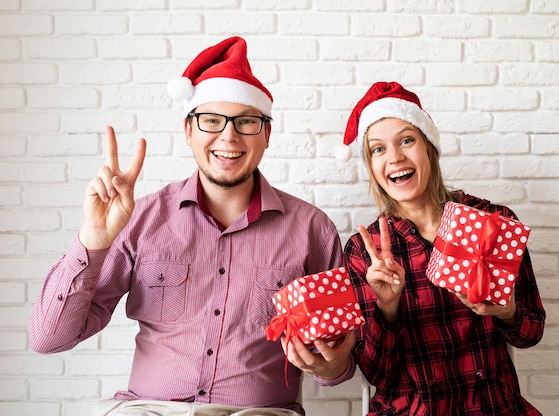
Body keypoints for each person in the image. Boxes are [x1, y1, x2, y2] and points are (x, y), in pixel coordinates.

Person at [28, 36, 354, 416]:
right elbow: (48, 339)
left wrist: (331, 366)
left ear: (266, 134)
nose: (228, 136)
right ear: (188, 131)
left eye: (246, 121)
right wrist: (93, 240)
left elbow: (336, 366)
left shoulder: (311, 230)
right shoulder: (140, 220)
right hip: (149, 410)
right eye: (211, 121)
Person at [340, 81, 546, 415]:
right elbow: (376, 373)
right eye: (378, 149)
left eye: (407, 140)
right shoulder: (368, 251)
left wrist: (505, 311)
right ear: (372, 166)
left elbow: (531, 332)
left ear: (429, 148)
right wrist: (387, 306)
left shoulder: (493, 222)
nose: (394, 157)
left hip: (491, 405)